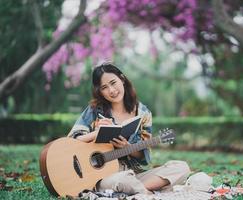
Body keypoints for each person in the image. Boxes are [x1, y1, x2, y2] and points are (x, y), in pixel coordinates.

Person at [68, 62, 190, 195]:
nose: (112, 90)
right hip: (103, 178)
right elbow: (72, 140)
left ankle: (134, 190)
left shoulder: (143, 113)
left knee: (181, 167)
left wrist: (127, 148)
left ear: (122, 79)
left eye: (113, 82)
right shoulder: (94, 111)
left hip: (133, 174)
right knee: (123, 180)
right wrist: (96, 133)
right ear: (100, 91)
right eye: (104, 87)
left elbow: (143, 158)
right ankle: (141, 192)